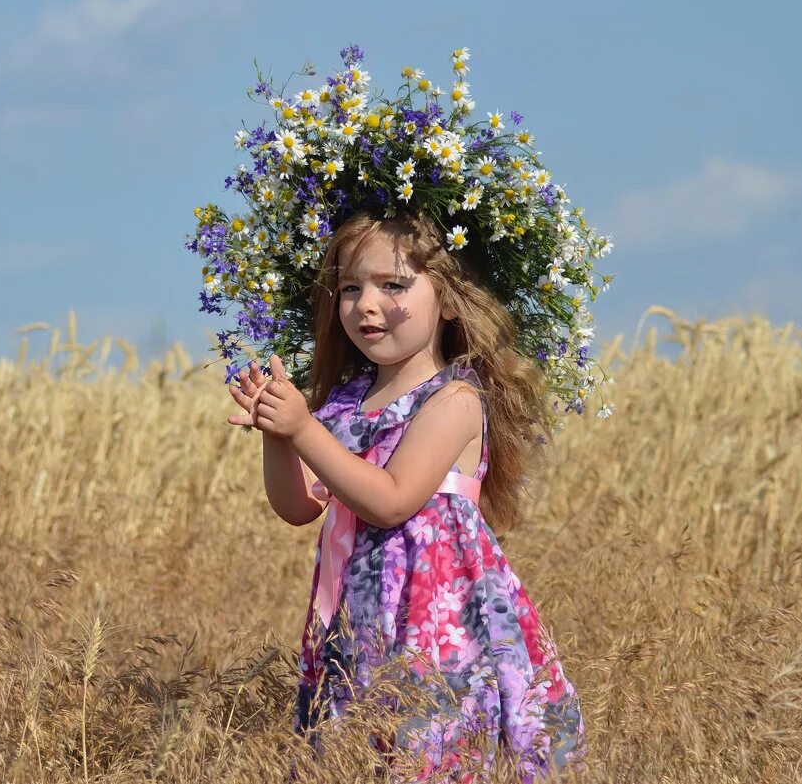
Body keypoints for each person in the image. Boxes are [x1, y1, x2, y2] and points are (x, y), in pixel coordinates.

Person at [226, 209, 588, 782]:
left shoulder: (454, 399)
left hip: (437, 617)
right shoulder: (345, 402)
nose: (365, 304)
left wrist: (303, 430)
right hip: (363, 613)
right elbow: (299, 507)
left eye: (392, 284)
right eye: (350, 288)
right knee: (361, 747)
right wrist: (278, 434)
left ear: (450, 300)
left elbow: (392, 500)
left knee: (430, 747)